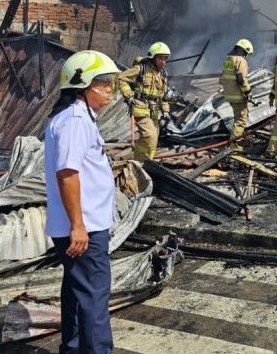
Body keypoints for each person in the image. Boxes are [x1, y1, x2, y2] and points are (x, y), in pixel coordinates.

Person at [44, 50, 120, 353]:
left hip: (82, 225)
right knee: (94, 298)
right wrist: (78, 226)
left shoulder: (75, 118)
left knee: (77, 294)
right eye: (103, 83)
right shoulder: (75, 120)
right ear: (83, 85)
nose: (109, 90)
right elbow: (67, 174)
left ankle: (73, 348)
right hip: (83, 228)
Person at [118, 42, 171, 160]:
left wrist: (166, 111)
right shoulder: (141, 69)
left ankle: (143, 161)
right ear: (152, 57)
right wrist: (129, 95)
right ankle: (144, 163)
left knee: (153, 139)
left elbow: (163, 95)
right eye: (160, 58)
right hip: (140, 107)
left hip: (155, 110)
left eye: (165, 59)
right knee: (150, 136)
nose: (163, 62)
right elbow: (121, 78)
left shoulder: (163, 74)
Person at [220, 39, 254, 151]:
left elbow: (222, 79)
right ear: (244, 51)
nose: (246, 56)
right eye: (246, 53)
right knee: (241, 120)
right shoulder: (240, 60)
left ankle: (232, 140)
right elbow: (241, 79)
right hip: (239, 96)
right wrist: (248, 92)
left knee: (237, 119)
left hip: (229, 95)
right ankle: (233, 145)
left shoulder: (228, 59)